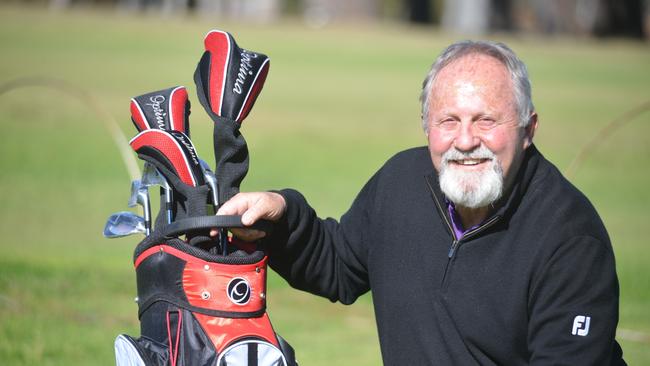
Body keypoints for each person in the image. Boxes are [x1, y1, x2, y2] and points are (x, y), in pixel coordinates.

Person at [213, 40, 626, 365]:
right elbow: (339, 264)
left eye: (486, 120)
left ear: (528, 128)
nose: (465, 141)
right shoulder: (401, 181)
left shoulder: (571, 241)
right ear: (427, 126)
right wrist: (280, 218)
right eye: (448, 121)